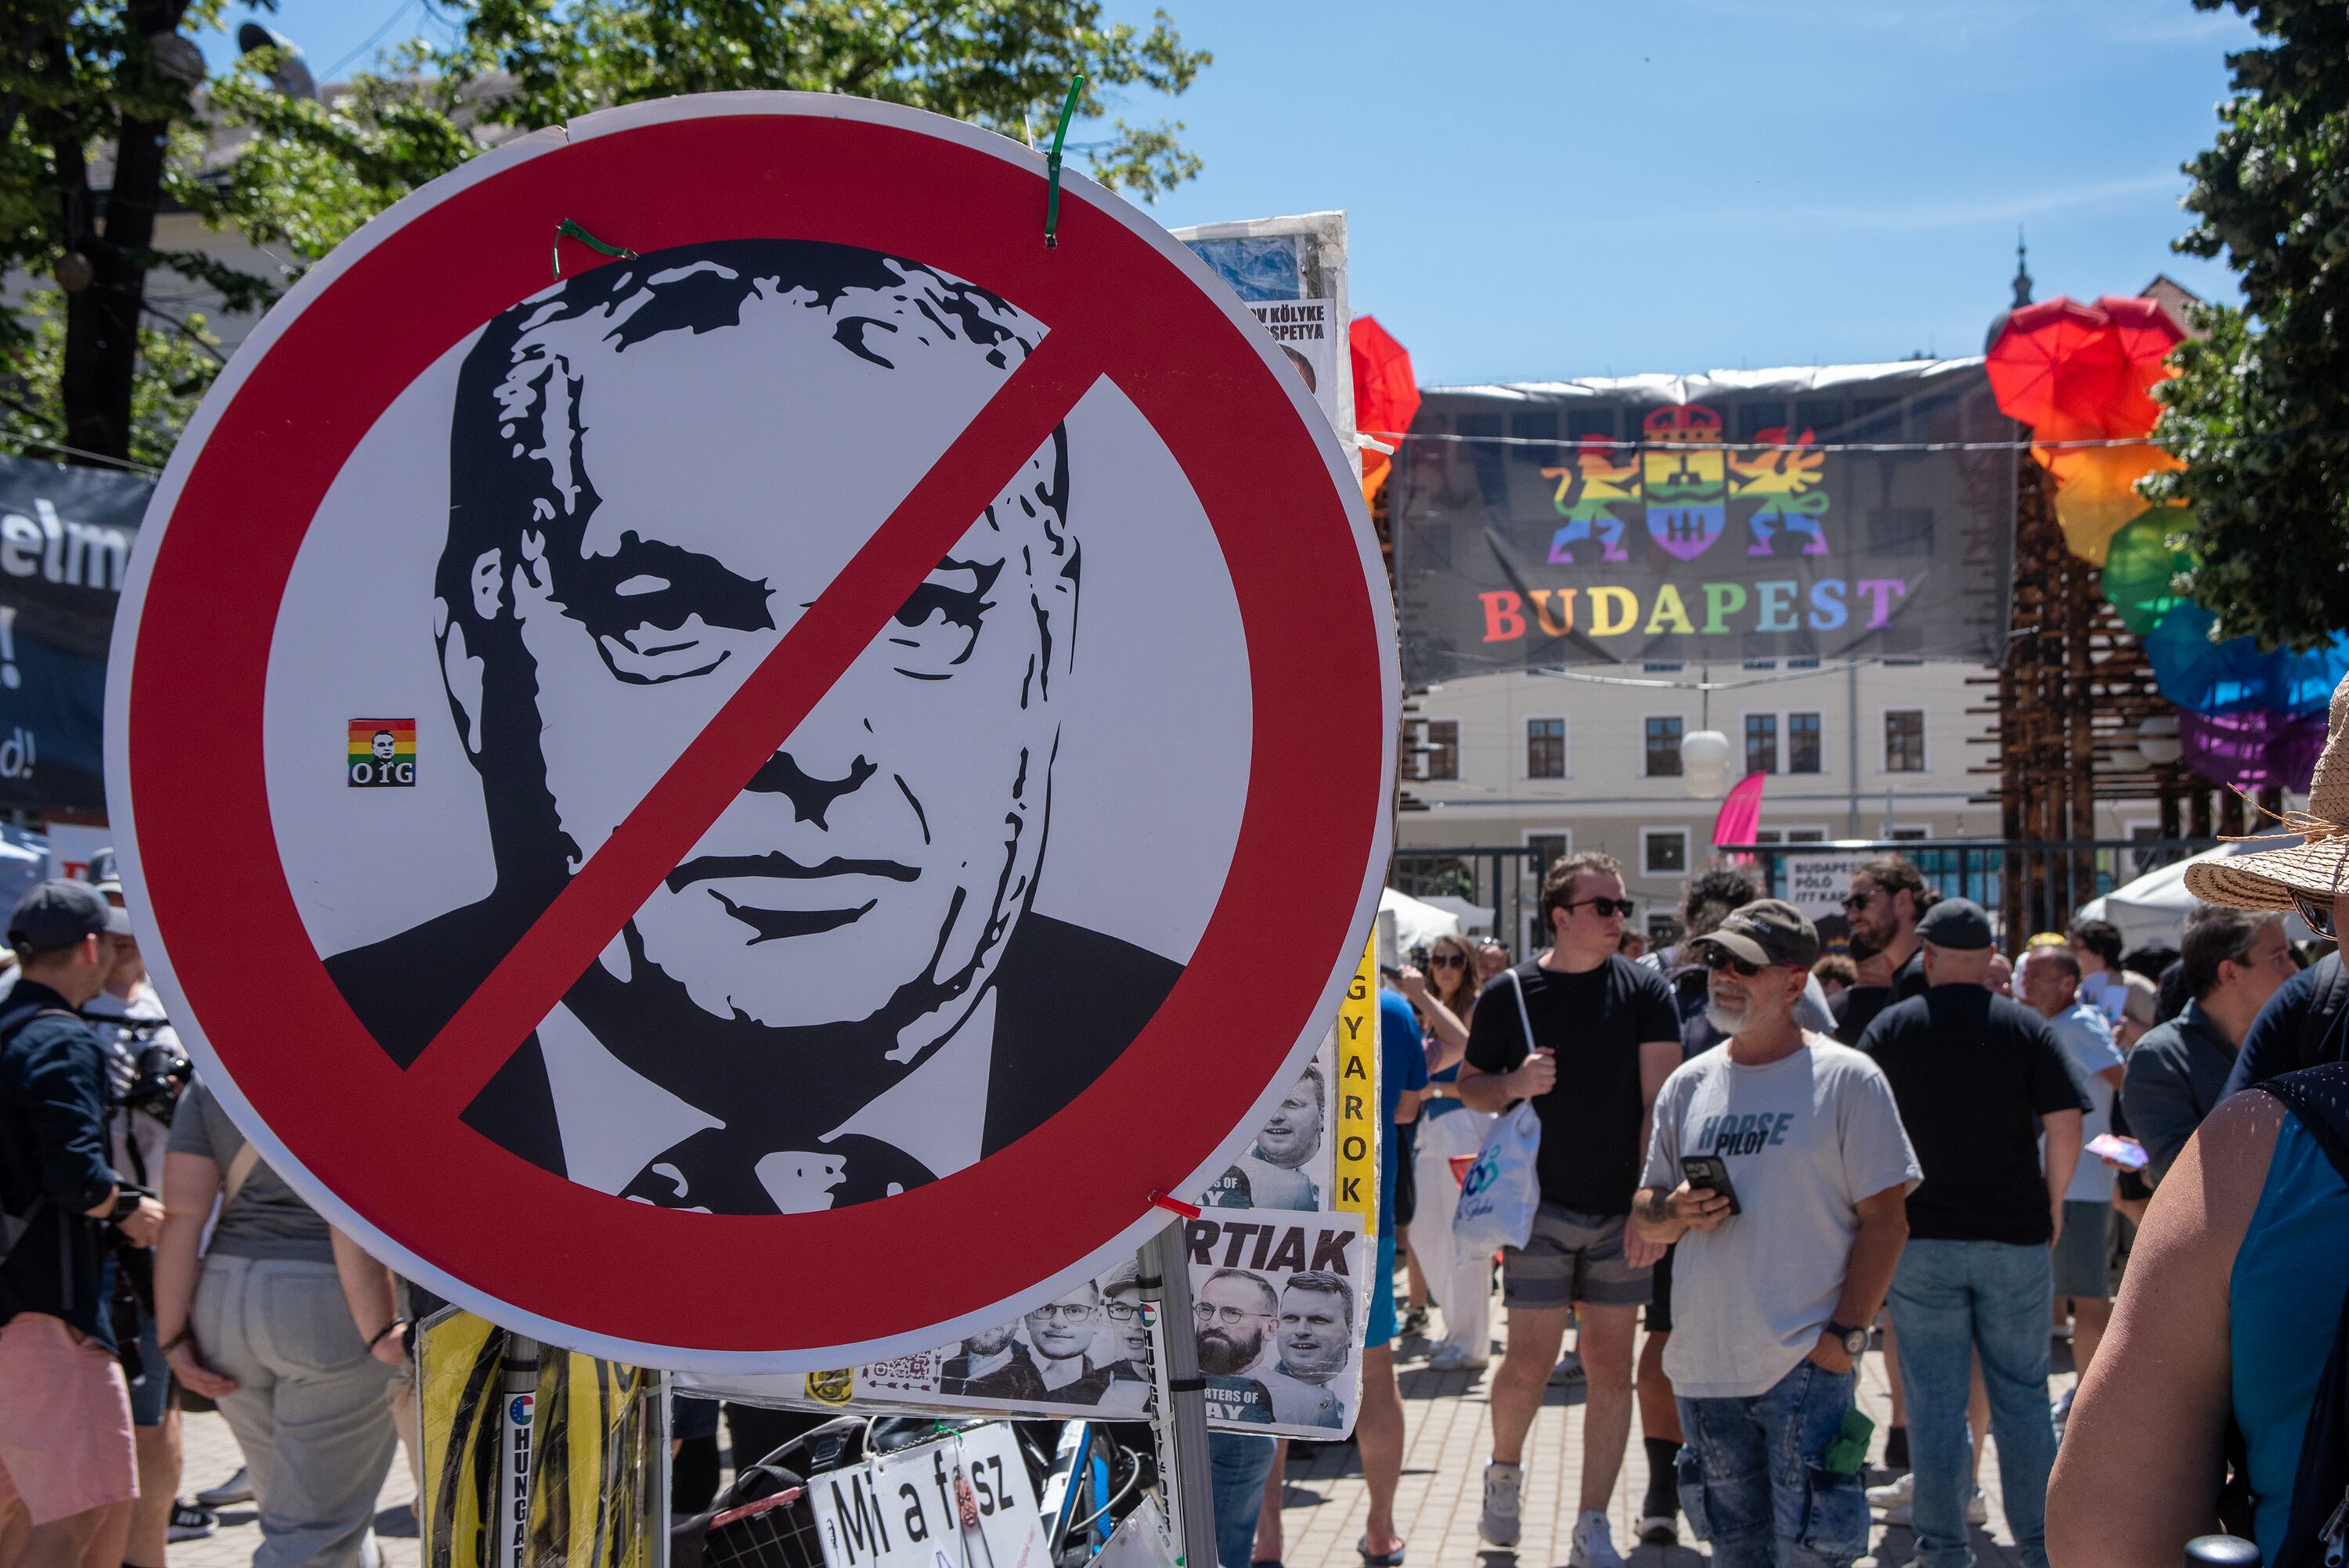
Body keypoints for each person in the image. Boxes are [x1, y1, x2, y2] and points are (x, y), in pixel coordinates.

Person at [321, 240, 1182, 1213]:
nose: (816, 750)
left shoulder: (1191, 1052)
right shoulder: (331, 1047)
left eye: (925, 608)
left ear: (1051, 644)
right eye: (667, 614)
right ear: (476, 651)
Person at [1633, 899, 1920, 1568]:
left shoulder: (1849, 1078)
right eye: (1717, 960)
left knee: (1814, 1558)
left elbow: (1888, 1219)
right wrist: (1672, 1211)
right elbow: (1643, 1212)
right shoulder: (1687, 1084)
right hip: (1704, 1371)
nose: (1724, 975)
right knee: (1736, 1557)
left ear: (1795, 982)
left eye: (1746, 964)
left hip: (1803, 1366)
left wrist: (1845, 1336)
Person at [1460, 852, 1679, 1568]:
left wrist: (1648, 1207)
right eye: (1605, 906)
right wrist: (1513, 1081)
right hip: (1537, 1207)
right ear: (1562, 915)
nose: (1621, 918)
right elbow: (1470, 1088)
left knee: (1611, 1367)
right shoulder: (1511, 994)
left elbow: (1660, 1105)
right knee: (1526, 1361)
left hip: (1622, 1212)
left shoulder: (1646, 990)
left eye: (1622, 906)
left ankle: (1592, 1522)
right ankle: (1504, 1470)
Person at [1856, 898, 2087, 1568]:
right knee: (2022, 1394)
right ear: (1991, 956)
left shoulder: (1893, 1028)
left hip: (1919, 1237)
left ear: (1926, 956)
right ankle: (2042, 1545)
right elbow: (2066, 1123)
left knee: (1933, 1400)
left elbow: (1858, 1129)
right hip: (2014, 1236)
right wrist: (2055, 1204)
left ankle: (1942, 1546)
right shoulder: (2025, 1028)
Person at [153, 1076, 403, 1568]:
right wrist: (380, 1330)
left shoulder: (212, 1075)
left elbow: (183, 1214)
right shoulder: (351, 1069)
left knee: (293, 1512)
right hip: (333, 1299)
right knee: (312, 1533)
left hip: (225, 1297)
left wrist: (171, 1337)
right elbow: (351, 1202)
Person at [0, 881, 160, 1568]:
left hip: (12, 1311)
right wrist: (131, 1208)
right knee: (82, 1507)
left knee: (16, 1506)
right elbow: (75, 1177)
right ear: (92, 947)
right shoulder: (63, 1039)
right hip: (51, 1312)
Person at [2016, 946, 2126, 1416]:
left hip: (2079, 1184)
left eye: (2037, 975)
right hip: (2062, 1182)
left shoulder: (2078, 1026)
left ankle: (2091, 1401)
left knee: (2088, 1296)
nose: (2025, 983)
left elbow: (2126, 1079)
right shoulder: (2060, 1025)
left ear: (2066, 983)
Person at [2120, 906, 2297, 1186]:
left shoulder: (2298, 1037)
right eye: (2279, 958)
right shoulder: (2161, 1058)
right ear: (2230, 973)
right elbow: (2181, 1180)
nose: (2294, 970)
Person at [1402, 933, 1489, 1372]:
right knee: (1423, 1233)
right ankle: (1458, 1328)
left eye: (1455, 960)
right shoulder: (1427, 1010)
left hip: (1466, 1129)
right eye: (1439, 960)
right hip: (1432, 1132)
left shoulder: (1475, 1008)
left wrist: (1434, 1087)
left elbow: (1483, 1071)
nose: (1447, 967)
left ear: (1468, 964)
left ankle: (1471, 1342)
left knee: (1465, 1240)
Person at [1831, 856, 1938, 1046]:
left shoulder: (1926, 974)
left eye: (1861, 901)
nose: (1853, 914)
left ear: (1902, 901)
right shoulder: (1908, 974)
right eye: (1848, 905)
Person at [1203, 1067, 1326, 1209]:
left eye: (1292, 1104)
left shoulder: (1326, 1186)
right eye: (1264, 1105)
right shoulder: (1220, 1171)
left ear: (1321, 1115)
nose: (1275, 1116)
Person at [1258, 1273, 1353, 1431]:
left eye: (1319, 1319)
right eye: (1291, 1318)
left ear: (1350, 1332)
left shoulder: (1364, 1381)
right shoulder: (1256, 1387)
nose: (1301, 1331)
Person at [2066, 919, 2126, 1021]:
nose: (2071, 953)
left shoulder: (2132, 985)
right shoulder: (2078, 990)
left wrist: (2123, 1021)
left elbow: (2155, 1031)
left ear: (2098, 950)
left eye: (2075, 948)